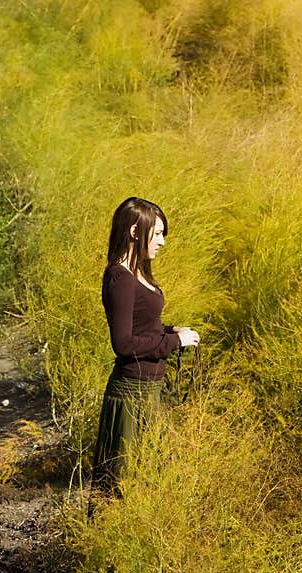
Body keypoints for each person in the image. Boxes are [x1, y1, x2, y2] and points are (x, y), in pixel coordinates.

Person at [89, 196, 200, 509]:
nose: (163, 242)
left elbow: (144, 327)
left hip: (148, 391)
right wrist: (172, 344)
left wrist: (171, 331)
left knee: (149, 481)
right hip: (130, 395)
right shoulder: (119, 278)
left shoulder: (138, 273)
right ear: (136, 232)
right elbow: (123, 344)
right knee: (123, 487)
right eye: (159, 233)